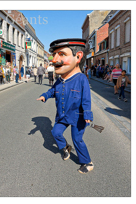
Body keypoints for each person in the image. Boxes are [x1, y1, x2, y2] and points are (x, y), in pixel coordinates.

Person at [37, 38, 94, 174]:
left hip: (78, 117)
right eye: (54, 55)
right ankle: (65, 147)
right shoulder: (60, 79)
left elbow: (86, 98)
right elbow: (52, 91)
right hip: (63, 114)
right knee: (55, 132)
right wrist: (45, 95)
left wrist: (87, 114)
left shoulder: (81, 79)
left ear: (78, 56)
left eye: (61, 54)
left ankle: (87, 162)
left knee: (77, 139)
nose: (54, 59)